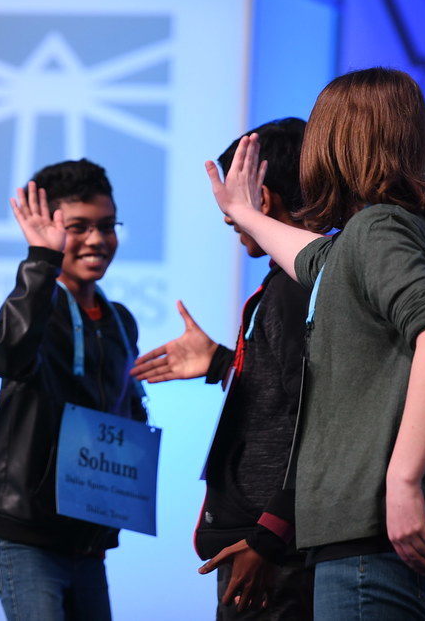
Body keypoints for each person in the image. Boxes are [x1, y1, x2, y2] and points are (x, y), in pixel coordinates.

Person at [206, 67, 425, 621]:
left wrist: (400, 479)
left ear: (337, 142)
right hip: (359, 537)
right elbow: (312, 259)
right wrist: (245, 213)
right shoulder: (362, 241)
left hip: (369, 538)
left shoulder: (378, 231)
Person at [132, 118, 314, 619]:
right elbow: (286, 399)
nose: (226, 214)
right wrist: (220, 363)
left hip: (273, 550)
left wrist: (268, 539)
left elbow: (320, 422)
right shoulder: (287, 285)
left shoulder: (297, 290)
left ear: (264, 195)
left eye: (232, 194)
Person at [0, 159, 148, 621]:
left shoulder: (120, 321)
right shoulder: (37, 308)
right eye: (79, 227)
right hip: (24, 530)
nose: (97, 239)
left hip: (87, 536)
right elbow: (4, 357)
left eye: (107, 226)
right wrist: (41, 261)